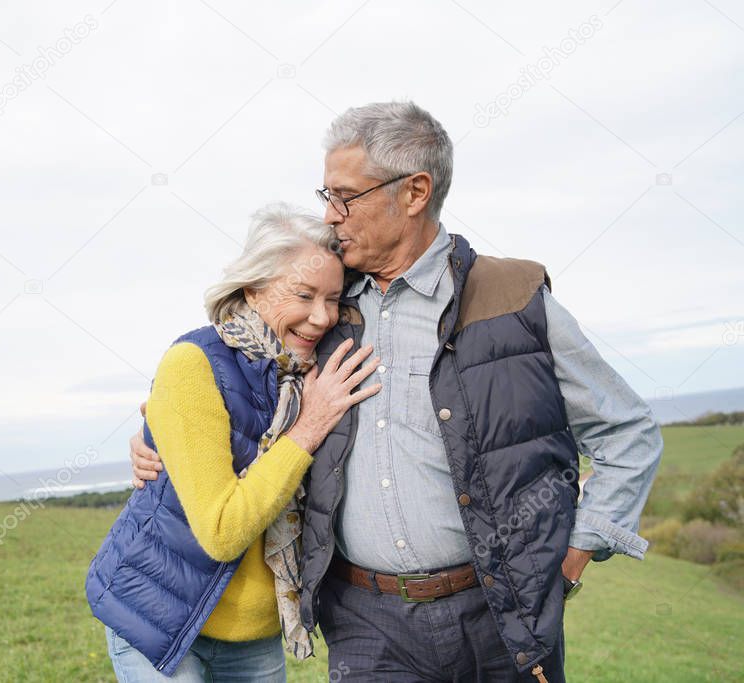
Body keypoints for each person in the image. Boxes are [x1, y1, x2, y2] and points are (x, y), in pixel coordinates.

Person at [129, 102, 663, 682]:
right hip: (364, 621)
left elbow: (627, 431)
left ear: (414, 193)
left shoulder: (513, 298)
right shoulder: (322, 305)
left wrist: (574, 557)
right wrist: (152, 433)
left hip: (502, 616)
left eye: (344, 196)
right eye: (325, 196)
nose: (330, 216)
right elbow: (229, 377)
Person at [86, 203, 383, 681]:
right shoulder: (194, 364)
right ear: (254, 289)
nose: (322, 317)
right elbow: (222, 531)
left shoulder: (308, 375)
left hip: (253, 635)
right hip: (158, 617)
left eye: (333, 298)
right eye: (304, 295)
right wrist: (309, 426)